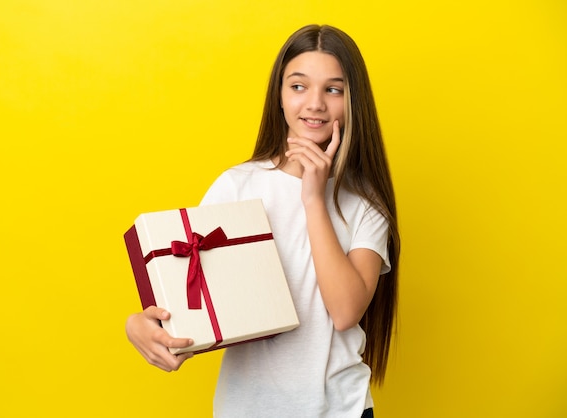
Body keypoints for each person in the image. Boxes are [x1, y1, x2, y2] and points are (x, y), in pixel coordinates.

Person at [125, 24, 400, 418]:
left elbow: (345, 312)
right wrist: (137, 324)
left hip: (340, 409)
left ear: (353, 101)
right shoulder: (238, 184)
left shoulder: (364, 203)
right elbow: (185, 294)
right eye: (299, 86)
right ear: (280, 96)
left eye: (334, 90)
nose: (315, 104)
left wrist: (313, 199)